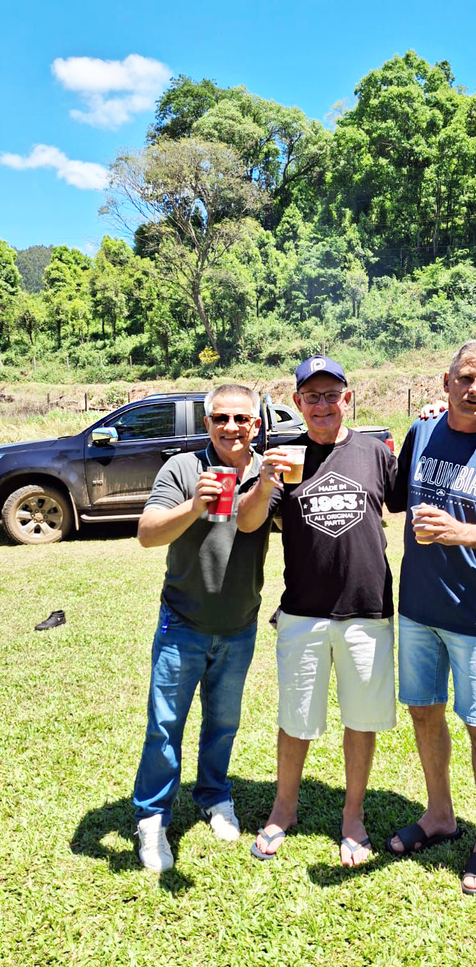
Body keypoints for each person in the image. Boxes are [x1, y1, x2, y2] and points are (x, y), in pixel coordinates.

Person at [386, 340, 476, 897]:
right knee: (424, 712)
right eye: (465, 378)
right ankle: (440, 814)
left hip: (473, 614)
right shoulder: (421, 432)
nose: (474, 390)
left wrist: (460, 532)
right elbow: (395, 497)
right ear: (445, 382)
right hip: (417, 607)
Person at [237, 356, 398, 868]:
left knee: (362, 718)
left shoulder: (374, 452)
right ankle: (283, 810)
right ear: (298, 402)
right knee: (295, 717)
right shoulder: (284, 454)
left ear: (347, 398)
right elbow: (248, 523)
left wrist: (435, 425)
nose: (323, 405)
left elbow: (406, 499)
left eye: (332, 395)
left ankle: (353, 816)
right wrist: (265, 480)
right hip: (303, 610)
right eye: (313, 397)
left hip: (366, 609)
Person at [132, 384, 271, 873]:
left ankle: (214, 796)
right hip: (184, 622)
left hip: (239, 624)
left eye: (241, 419)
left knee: (223, 723)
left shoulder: (268, 471)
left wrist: (265, 483)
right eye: (220, 418)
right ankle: (151, 820)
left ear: (256, 424)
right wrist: (193, 505)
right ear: (206, 422)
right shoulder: (182, 468)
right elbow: (148, 536)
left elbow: (260, 527)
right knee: (165, 726)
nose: (230, 427)